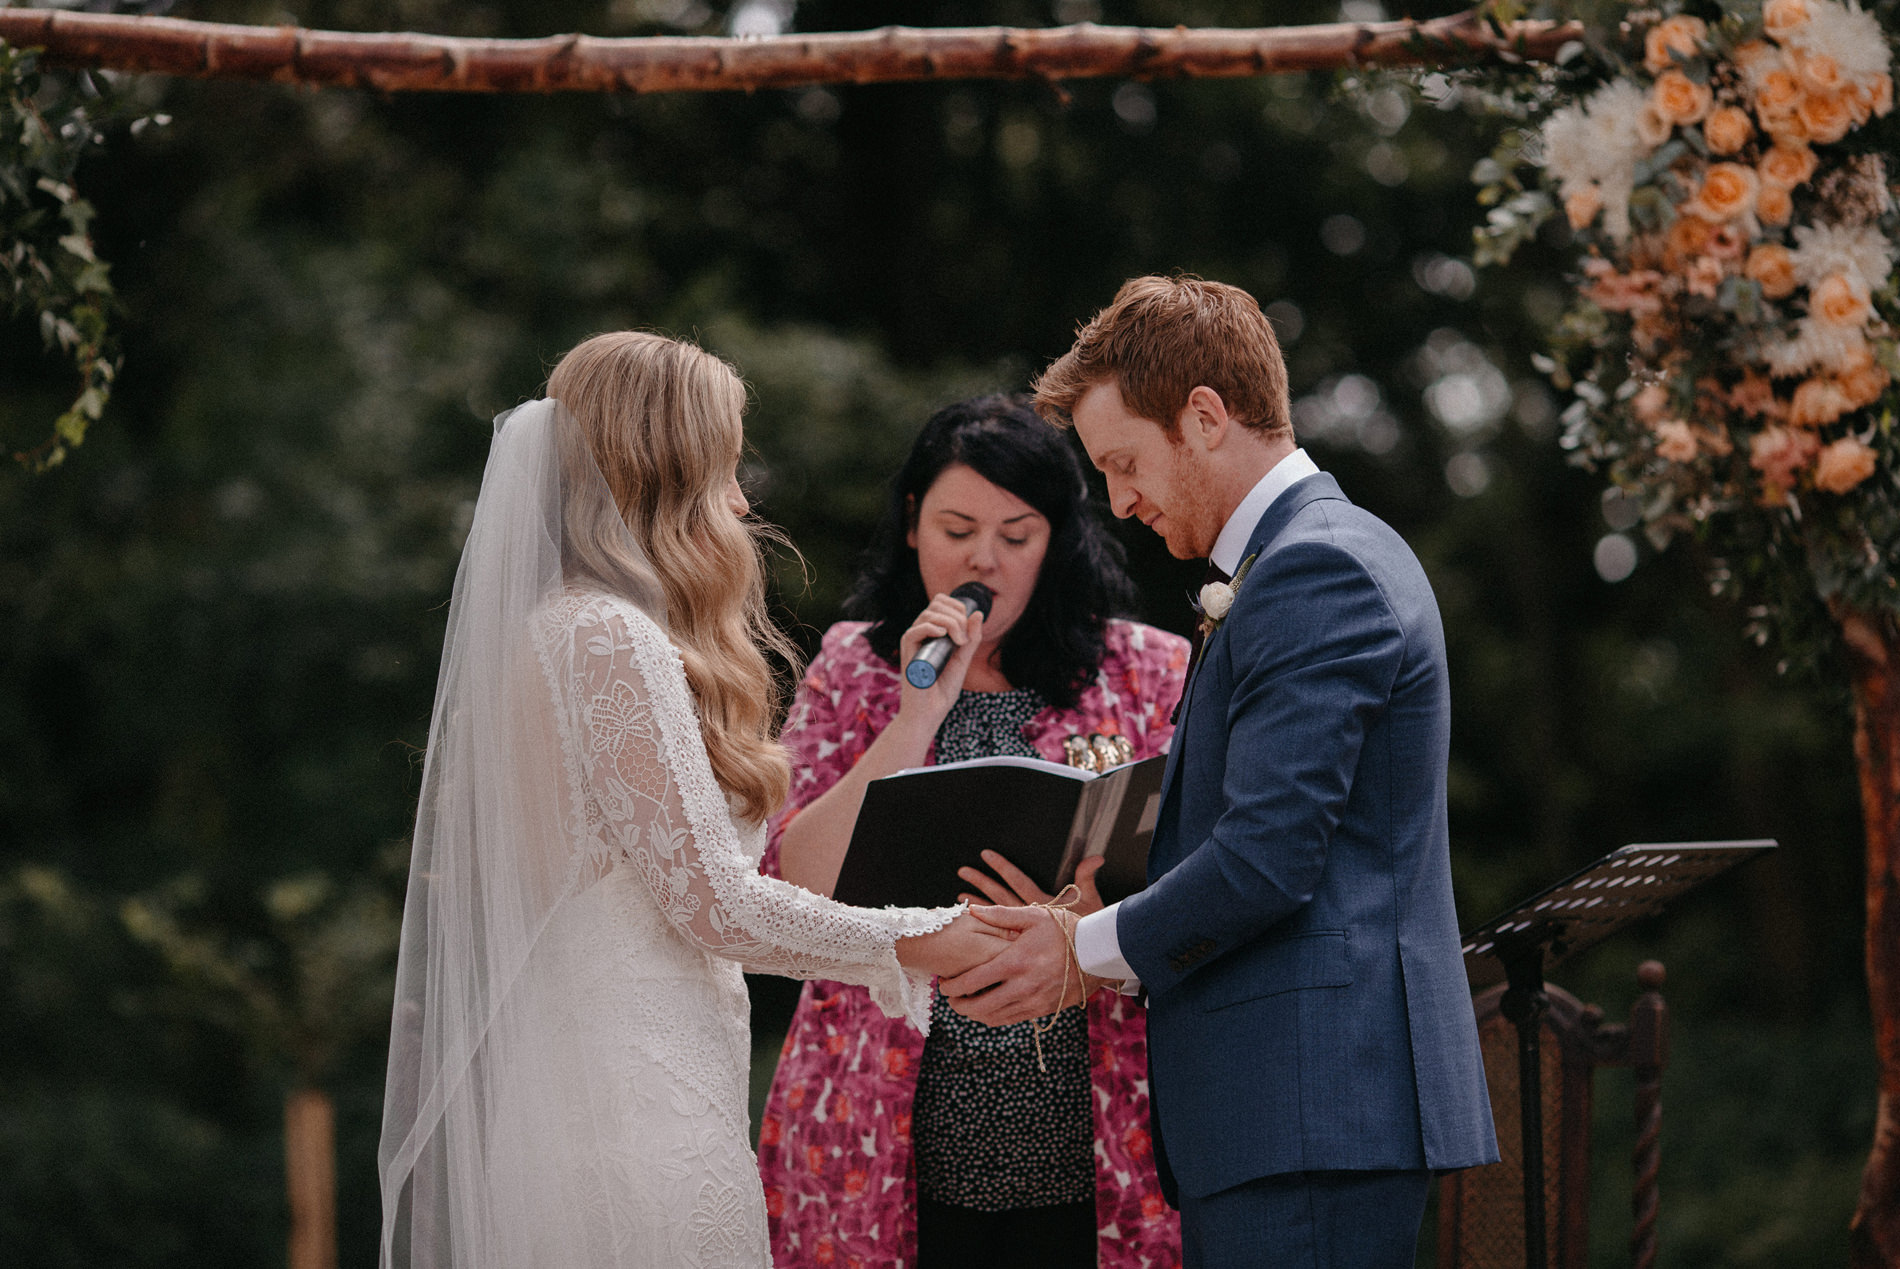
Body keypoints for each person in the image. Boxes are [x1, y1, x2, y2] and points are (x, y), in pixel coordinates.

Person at [375, 332, 1008, 1269]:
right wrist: (921, 936)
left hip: (606, 1097)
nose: (745, 499)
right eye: (725, 468)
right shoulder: (607, 639)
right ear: (664, 473)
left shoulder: (553, 633)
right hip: (631, 1115)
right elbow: (713, 901)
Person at [941, 277, 1498, 1267]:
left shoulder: (1314, 571)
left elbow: (1269, 858)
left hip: (1309, 1115)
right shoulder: (1306, 562)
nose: (1117, 501)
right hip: (1297, 1119)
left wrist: (1079, 950)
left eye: (1123, 462)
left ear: (1203, 416)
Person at [755, 395, 1189, 1268]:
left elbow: (1194, 874)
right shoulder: (852, 664)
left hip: (1097, 1127)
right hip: (875, 1129)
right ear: (913, 523)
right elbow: (786, 887)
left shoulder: (1150, 667)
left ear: (1059, 539)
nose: (982, 559)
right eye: (956, 528)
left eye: (1016, 535)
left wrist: (1081, 921)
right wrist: (915, 717)